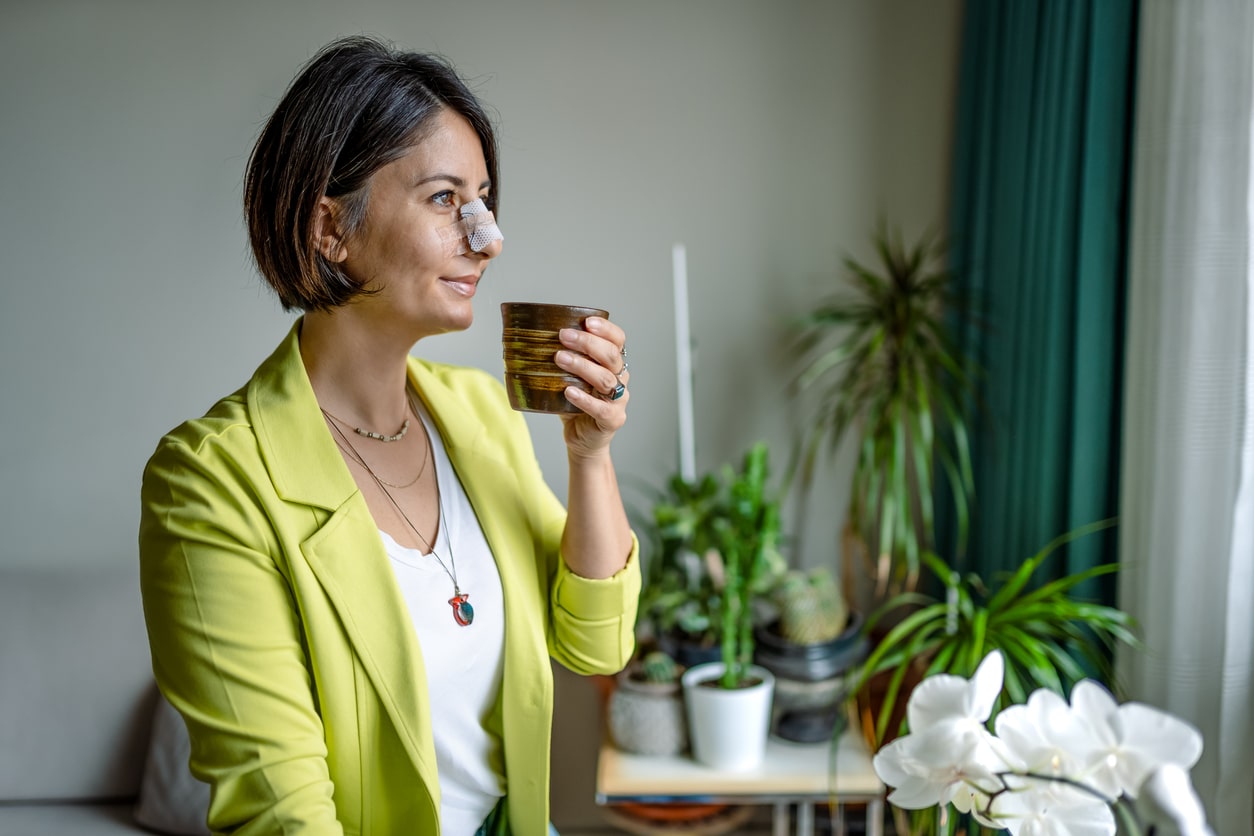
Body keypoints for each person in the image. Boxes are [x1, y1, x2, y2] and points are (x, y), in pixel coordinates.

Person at [138, 35, 639, 836]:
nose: (488, 236)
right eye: (445, 199)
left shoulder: (478, 415)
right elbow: (283, 815)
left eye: (484, 199)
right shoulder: (209, 482)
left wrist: (590, 453)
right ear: (329, 227)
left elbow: (596, 644)